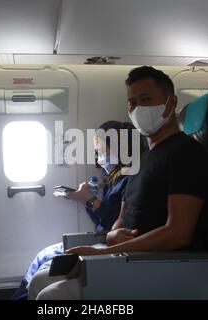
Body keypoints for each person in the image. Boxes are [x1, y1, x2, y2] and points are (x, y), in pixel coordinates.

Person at [28, 66, 208, 300]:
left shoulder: (186, 153)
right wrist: (112, 236)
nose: (137, 108)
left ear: (171, 102)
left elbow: (178, 233)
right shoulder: (141, 160)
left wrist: (104, 252)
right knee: (39, 281)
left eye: (146, 99)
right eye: (132, 103)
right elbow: (121, 219)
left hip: (157, 266)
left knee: (52, 298)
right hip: (126, 257)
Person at [11, 121, 142, 300]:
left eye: (102, 150)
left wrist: (90, 199)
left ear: (120, 149)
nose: (97, 156)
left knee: (46, 262)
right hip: (100, 238)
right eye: (96, 151)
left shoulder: (129, 180)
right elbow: (101, 220)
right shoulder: (112, 180)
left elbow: (114, 223)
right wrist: (84, 198)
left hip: (106, 242)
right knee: (42, 256)